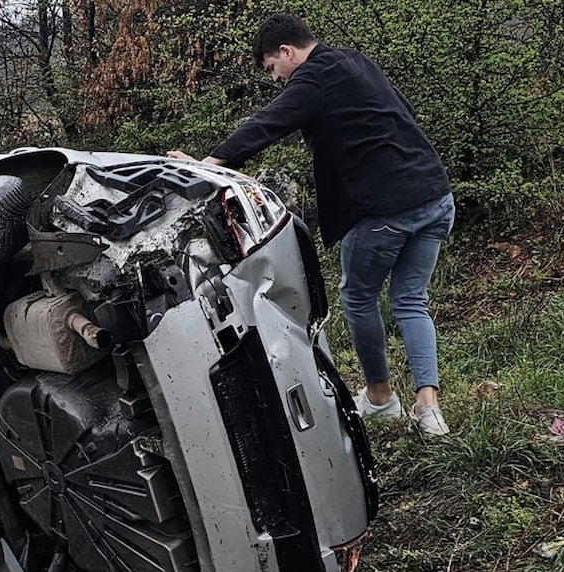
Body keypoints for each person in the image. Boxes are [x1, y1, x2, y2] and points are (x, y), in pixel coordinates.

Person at [167, 13, 453, 436]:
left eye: (273, 68)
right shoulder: (356, 61)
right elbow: (403, 112)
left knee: (358, 297)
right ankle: (429, 409)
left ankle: (380, 399)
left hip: (383, 210)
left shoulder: (313, 77)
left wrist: (207, 166)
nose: (277, 79)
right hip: (435, 196)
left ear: (287, 51)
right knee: (411, 299)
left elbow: (268, 123)